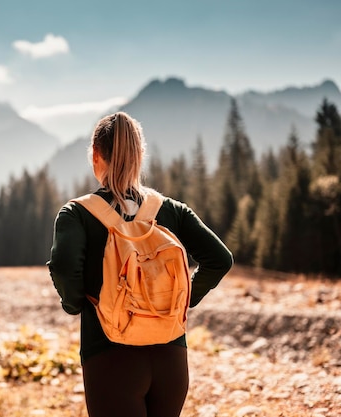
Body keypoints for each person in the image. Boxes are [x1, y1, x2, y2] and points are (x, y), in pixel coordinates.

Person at [47, 111, 233, 417]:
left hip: (110, 356)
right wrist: (181, 302)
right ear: (140, 155)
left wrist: (75, 304)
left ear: (96, 155)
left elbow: (64, 267)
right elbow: (220, 259)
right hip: (171, 358)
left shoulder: (77, 214)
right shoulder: (170, 210)